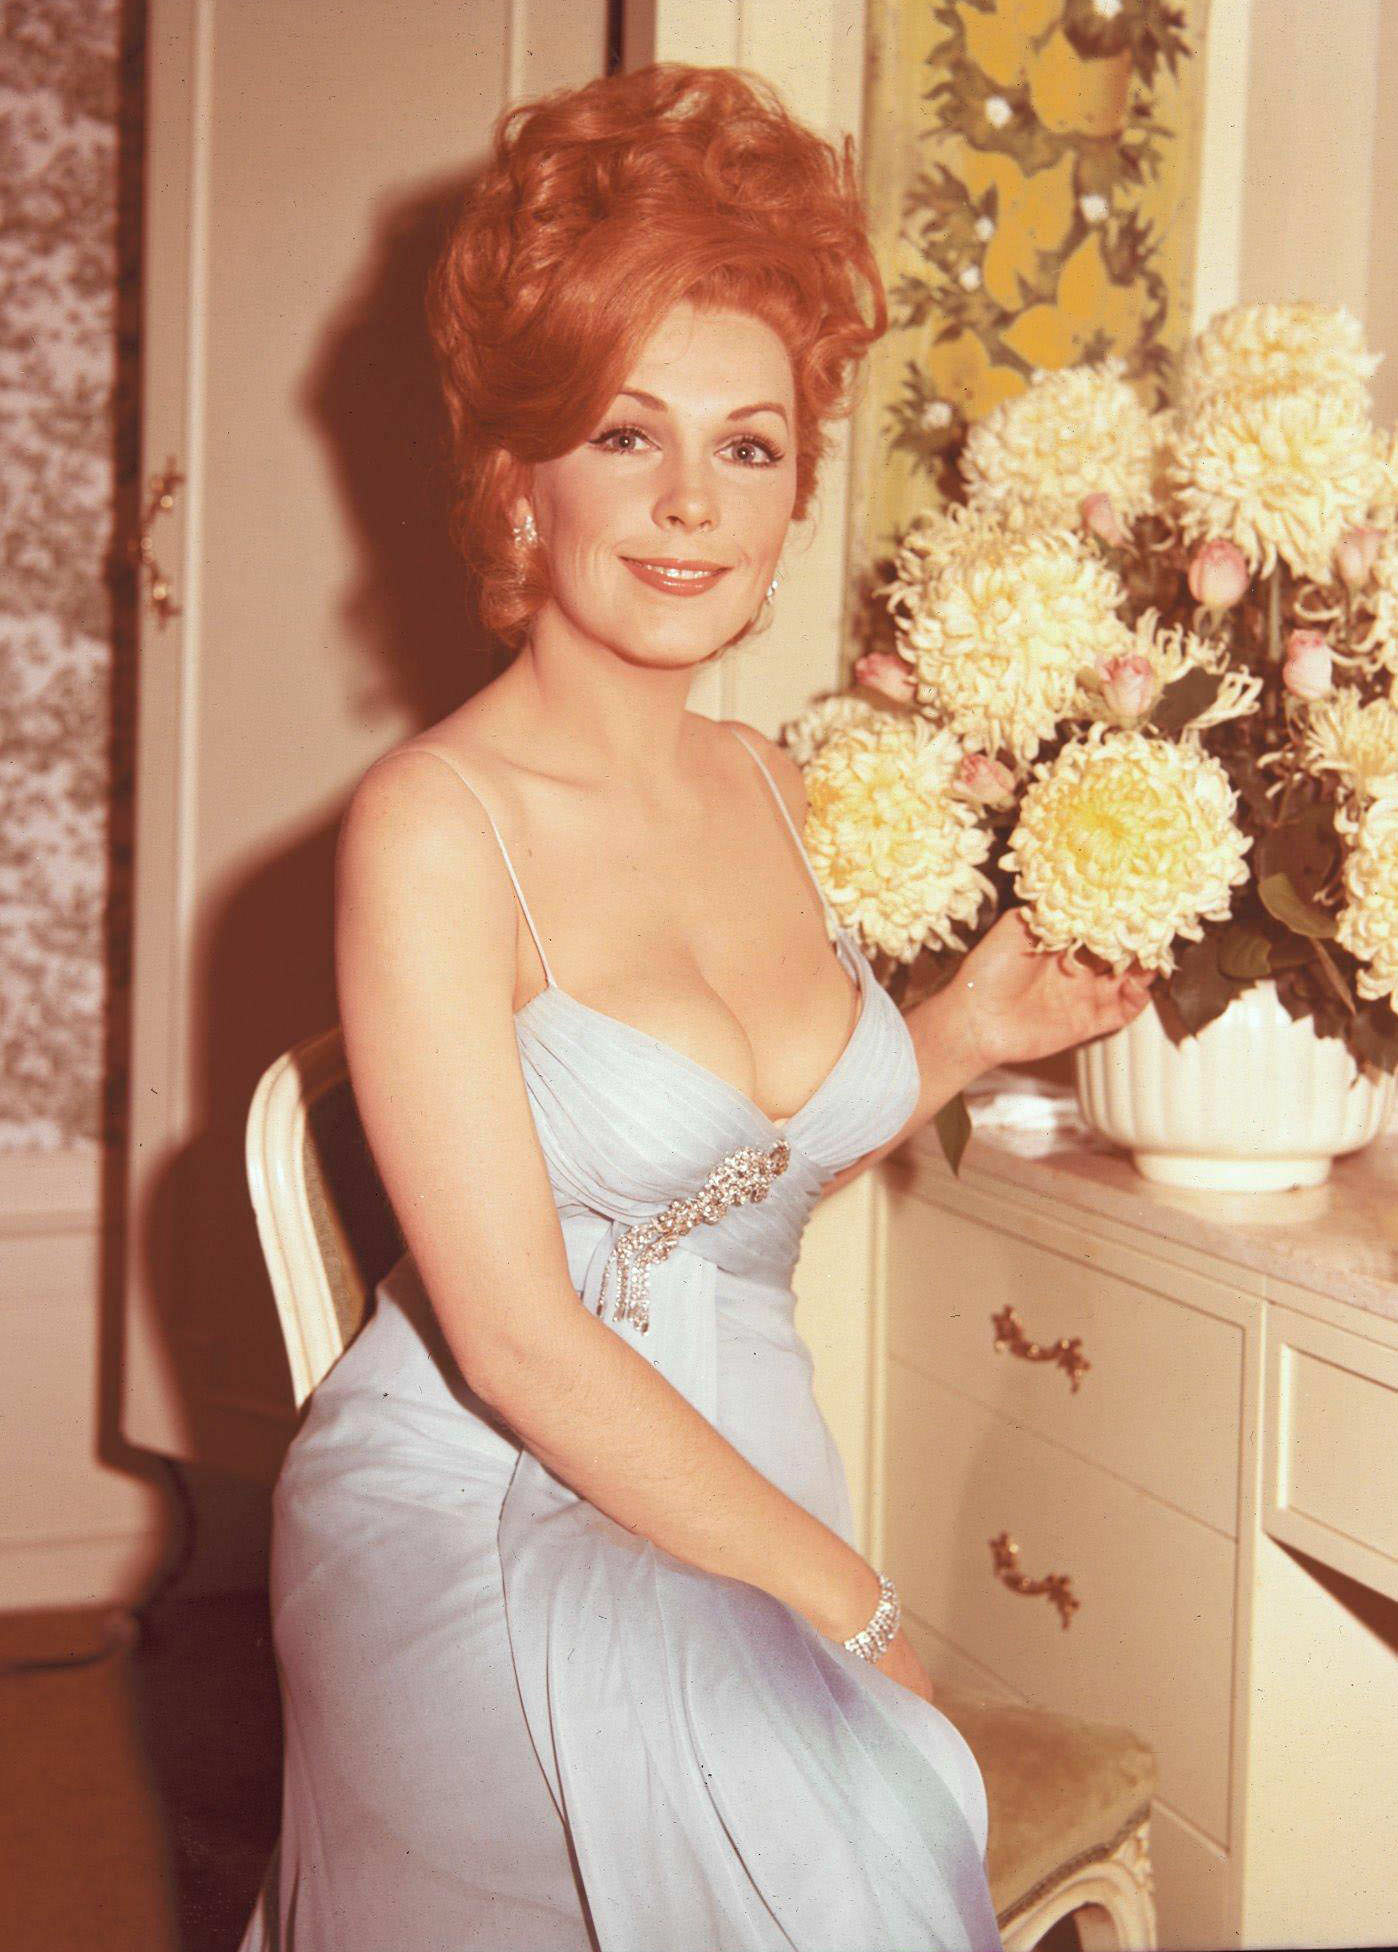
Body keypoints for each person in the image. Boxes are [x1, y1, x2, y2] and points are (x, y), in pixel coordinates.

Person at [238, 62, 1154, 1952]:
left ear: (793, 487)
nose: (686, 505)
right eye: (624, 433)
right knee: (839, 1792)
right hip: (487, 1500)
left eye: (744, 447)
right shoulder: (431, 828)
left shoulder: (773, 784)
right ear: (518, 472)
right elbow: (515, 1341)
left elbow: (723, 1185)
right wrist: (858, 1606)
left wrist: (960, 1036)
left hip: (730, 1467)